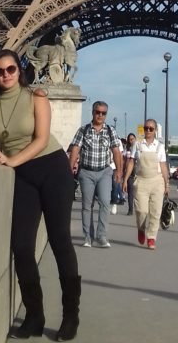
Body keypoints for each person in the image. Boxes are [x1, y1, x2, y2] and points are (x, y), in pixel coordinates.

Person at [0, 49, 80, 341]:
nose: (5, 75)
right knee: (21, 246)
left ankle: (71, 316)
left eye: (10, 69)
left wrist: (10, 160)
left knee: (60, 240)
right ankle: (35, 316)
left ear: (19, 71)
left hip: (51, 169)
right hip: (23, 175)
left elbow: (41, 138)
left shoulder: (36, 96)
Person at [69, 101, 122, 248]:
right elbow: (75, 150)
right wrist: (69, 168)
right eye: (97, 112)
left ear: (106, 115)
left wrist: (119, 170)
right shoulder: (83, 130)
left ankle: (102, 236)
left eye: (103, 113)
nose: (100, 115)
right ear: (93, 112)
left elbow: (116, 152)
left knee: (105, 203)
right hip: (86, 172)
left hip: (104, 172)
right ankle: (88, 237)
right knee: (87, 206)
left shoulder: (110, 131)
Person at [122, 118, 169, 249]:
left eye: (151, 129)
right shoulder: (137, 144)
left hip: (157, 181)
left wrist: (167, 183)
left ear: (155, 131)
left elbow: (163, 165)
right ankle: (141, 229)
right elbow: (131, 162)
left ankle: (152, 238)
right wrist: (125, 179)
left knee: (155, 212)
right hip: (141, 180)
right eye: (146, 128)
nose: (148, 130)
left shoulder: (160, 146)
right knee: (141, 210)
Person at [122, 133, 137, 215]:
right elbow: (124, 161)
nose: (131, 141)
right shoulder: (126, 150)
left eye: (132, 139)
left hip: (137, 173)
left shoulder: (138, 148)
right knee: (130, 191)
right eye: (130, 139)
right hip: (129, 173)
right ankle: (130, 209)